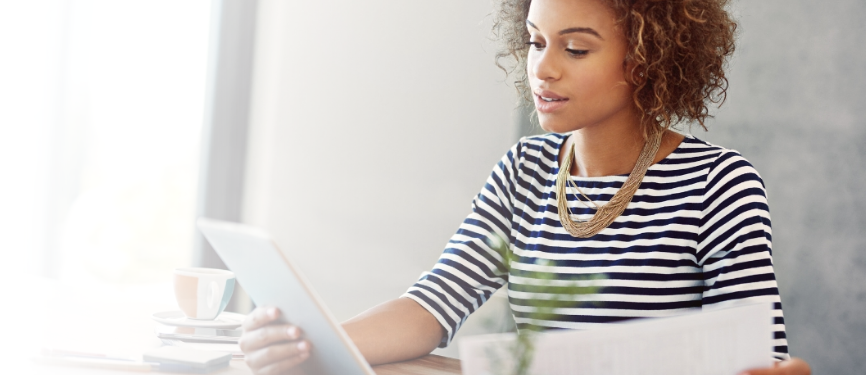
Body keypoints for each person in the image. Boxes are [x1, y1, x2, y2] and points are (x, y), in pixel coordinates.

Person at [237, 0, 813, 374]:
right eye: (538, 41)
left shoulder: (719, 182)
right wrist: (317, 345)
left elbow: (754, 354)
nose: (543, 68)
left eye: (576, 48)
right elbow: (430, 309)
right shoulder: (525, 168)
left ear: (646, 59)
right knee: (398, 367)